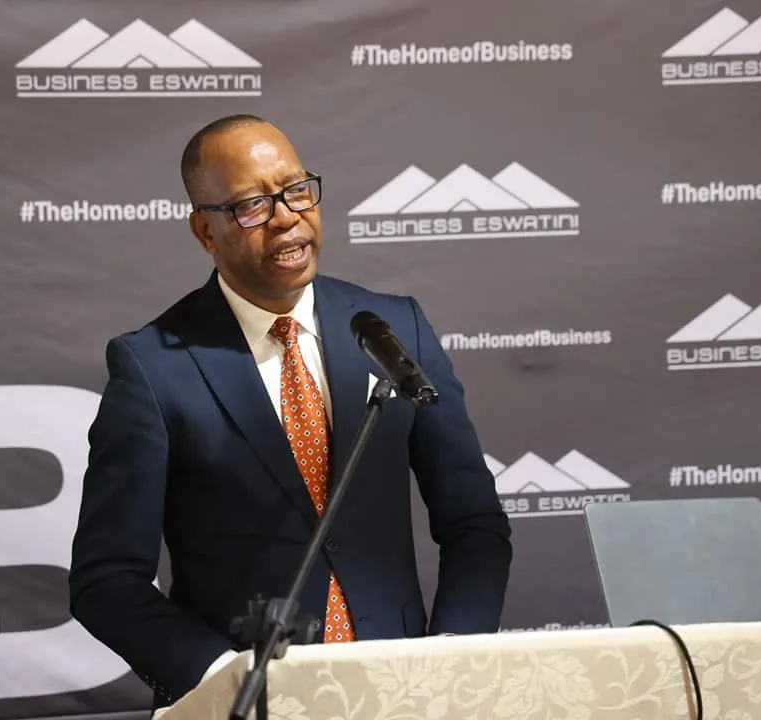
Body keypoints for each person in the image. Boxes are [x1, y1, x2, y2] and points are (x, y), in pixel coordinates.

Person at [68, 114, 513, 712]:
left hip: (401, 694)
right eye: (252, 205)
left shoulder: (393, 329)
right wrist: (226, 679)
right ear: (205, 230)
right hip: (244, 700)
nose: (285, 217)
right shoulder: (154, 367)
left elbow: (474, 521)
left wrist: (448, 662)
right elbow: (107, 581)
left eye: (297, 190)